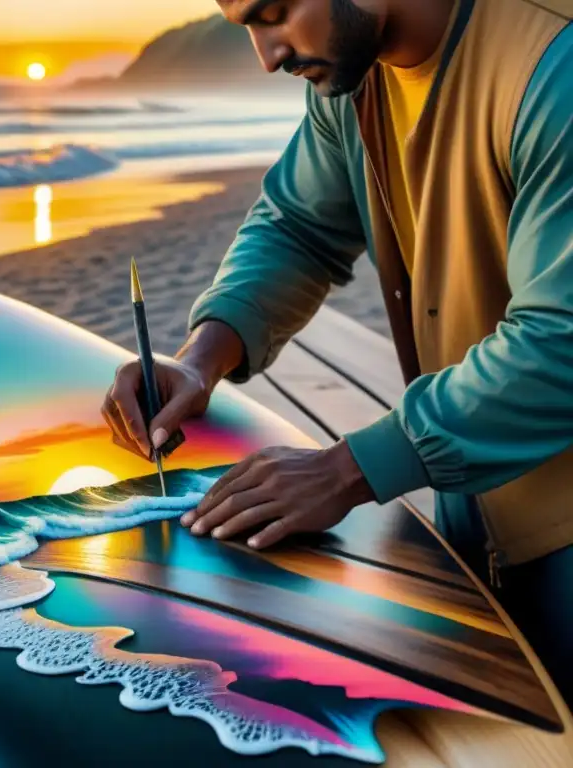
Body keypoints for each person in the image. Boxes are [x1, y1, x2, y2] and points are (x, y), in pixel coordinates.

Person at [101, 0, 573, 706]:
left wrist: (348, 468)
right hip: (473, 509)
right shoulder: (357, 76)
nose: (267, 55)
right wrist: (202, 359)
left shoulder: (553, 65)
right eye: (247, 26)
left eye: (275, 12)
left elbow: (561, 341)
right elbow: (299, 228)